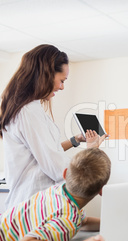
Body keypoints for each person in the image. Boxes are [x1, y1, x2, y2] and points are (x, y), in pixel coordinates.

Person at [0, 44, 108, 209]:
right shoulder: (28, 111)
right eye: (62, 80)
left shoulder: (28, 108)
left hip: (33, 202)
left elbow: (47, 151)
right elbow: (56, 167)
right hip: (32, 204)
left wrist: (76, 140)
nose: (62, 87)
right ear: (46, 74)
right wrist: (92, 154)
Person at [0, 148, 111, 241]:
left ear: (65, 174)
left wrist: (112, 223)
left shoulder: (59, 192)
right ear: (102, 191)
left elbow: (84, 222)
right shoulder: (68, 218)